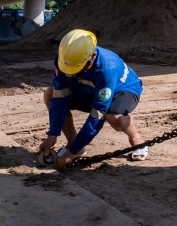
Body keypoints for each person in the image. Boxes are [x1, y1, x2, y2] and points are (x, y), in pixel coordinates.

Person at [39, 29, 147, 168]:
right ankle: (74, 143)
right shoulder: (65, 59)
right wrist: (52, 134)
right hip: (88, 88)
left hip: (121, 90)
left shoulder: (107, 68)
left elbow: (98, 114)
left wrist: (71, 154)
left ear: (89, 58)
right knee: (50, 94)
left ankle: (136, 138)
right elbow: (60, 98)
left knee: (114, 117)